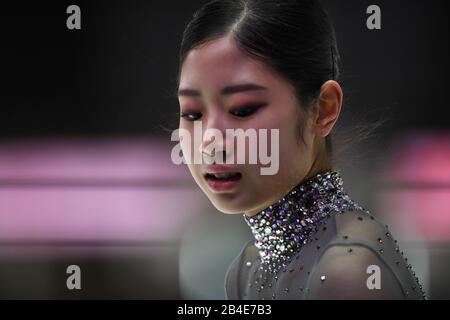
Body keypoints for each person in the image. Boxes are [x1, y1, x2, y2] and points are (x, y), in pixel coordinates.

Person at [176, 0, 426, 299]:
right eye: (192, 114)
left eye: (242, 110)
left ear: (323, 109)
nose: (210, 141)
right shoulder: (247, 266)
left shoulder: (348, 266)